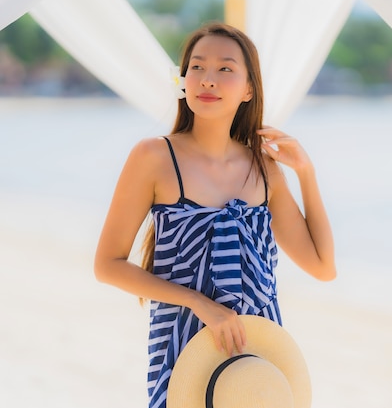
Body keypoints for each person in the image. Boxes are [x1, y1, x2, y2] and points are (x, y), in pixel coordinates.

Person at [93, 22, 335, 408]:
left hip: (257, 356)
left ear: (248, 89)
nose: (207, 80)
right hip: (186, 345)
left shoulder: (264, 168)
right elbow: (108, 265)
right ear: (183, 79)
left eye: (225, 69)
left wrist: (306, 173)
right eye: (197, 67)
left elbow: (323, 266)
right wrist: (200, 303)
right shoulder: (154, 157)